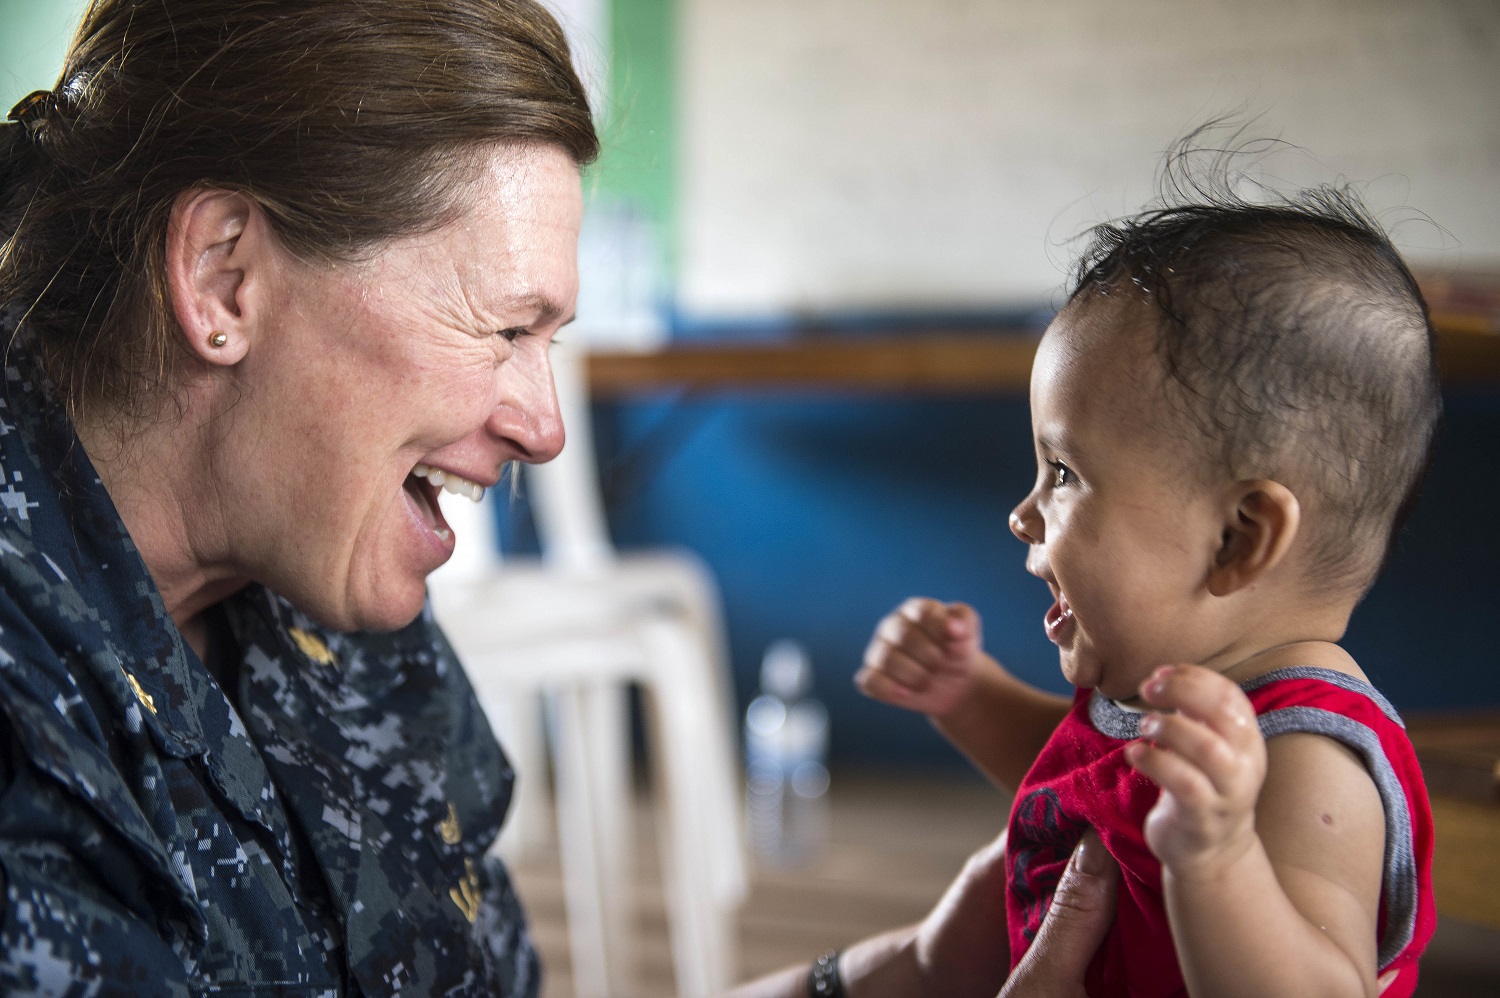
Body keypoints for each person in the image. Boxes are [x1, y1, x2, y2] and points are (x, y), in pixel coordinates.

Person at [0, 2, 1123, 995]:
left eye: (551, 339)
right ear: (223, 278)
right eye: (502, 327)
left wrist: (903, 976)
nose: (544, 425)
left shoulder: (313, 572)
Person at [858, 166, 1439, 997]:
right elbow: (1095, 787)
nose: (1024, 515)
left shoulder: (1308, 756)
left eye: (1063, 473)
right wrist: (967, 694)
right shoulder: (1173, 694)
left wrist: (1219, 859)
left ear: (1237, 539)